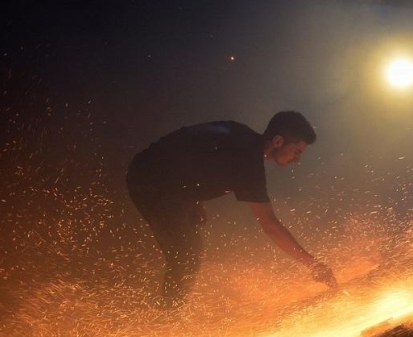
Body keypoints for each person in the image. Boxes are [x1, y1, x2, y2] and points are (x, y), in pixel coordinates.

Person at [127, 110, 337, 309]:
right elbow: (270, 226)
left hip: (159, 177)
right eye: (296, 151)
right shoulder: (248, 163)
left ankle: (168, 311)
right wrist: (314, 265)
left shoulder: (240, 134)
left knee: (192, 251)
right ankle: (164, 322)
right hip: (149, 181)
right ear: (278, 141)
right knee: (187, 256)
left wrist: (192, 198)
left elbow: (191, 150)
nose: (297, 160)